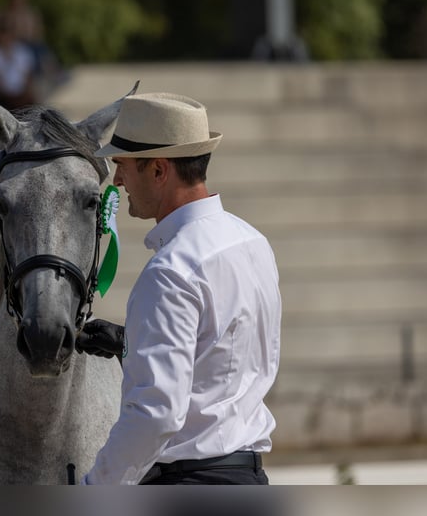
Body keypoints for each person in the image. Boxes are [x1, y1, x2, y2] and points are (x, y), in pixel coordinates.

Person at [76, 92, 282, 485]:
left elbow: (155, 415)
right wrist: (129, 344)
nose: (116, 180)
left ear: (158, 170)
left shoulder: (170, 271)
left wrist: (95, 489)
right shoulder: (252, 240)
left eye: (122, 165)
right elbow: (223, 355)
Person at [0, 19, 37, 110]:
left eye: (8, 34)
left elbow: (28, 75)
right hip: (2, 95)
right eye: (3, 34)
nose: (6, 38)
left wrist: (26, 90)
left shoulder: (22, 51)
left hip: (22, 93)